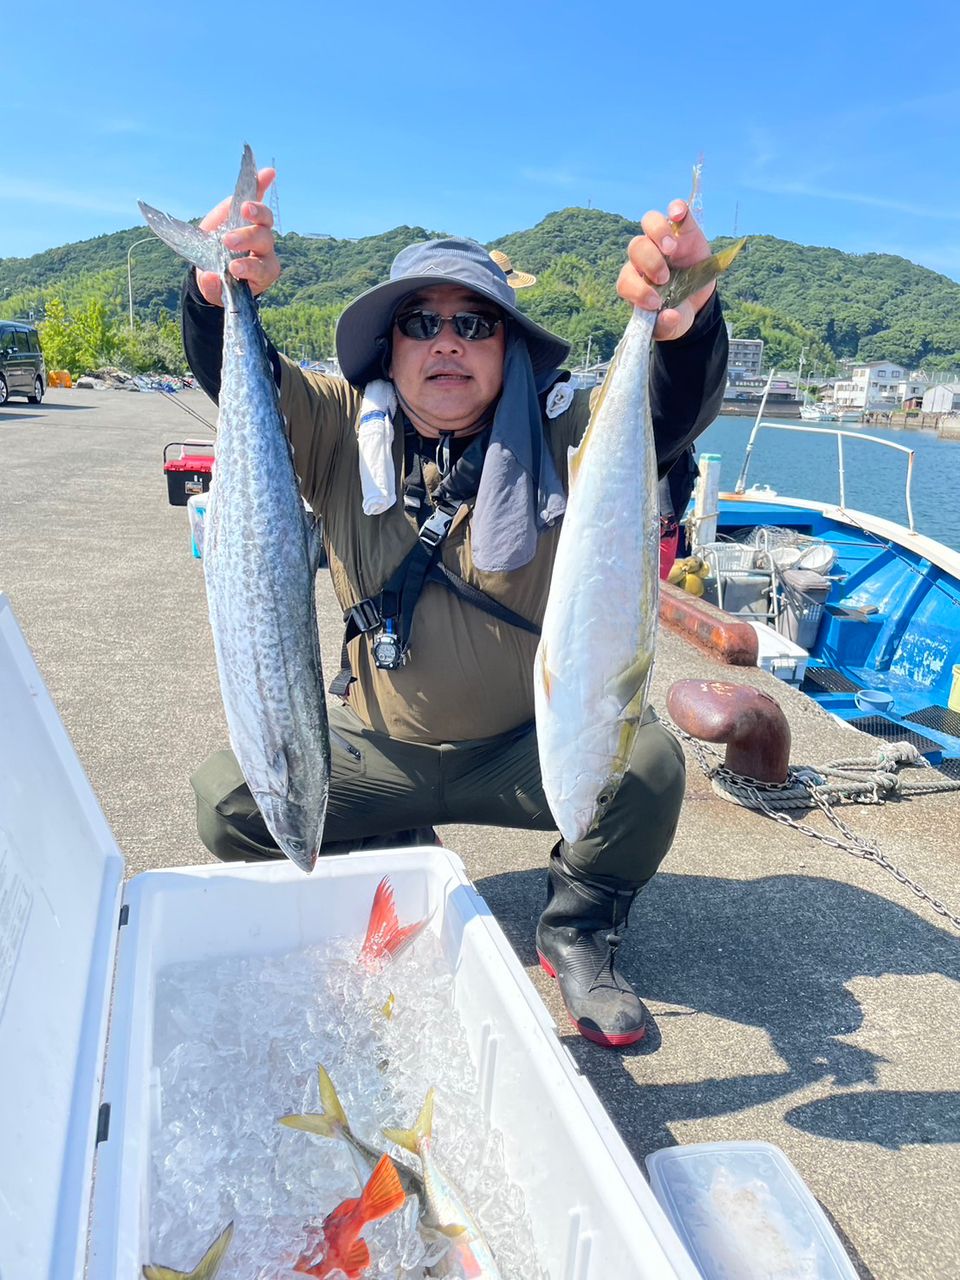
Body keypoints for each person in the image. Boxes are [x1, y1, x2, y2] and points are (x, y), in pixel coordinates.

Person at [181, 166, 729, 1049]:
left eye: (473, 324)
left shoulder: (563, 424)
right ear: (388, 348)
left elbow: (664, 415)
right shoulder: (333, 421)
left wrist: (686, 326)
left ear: (507, 346)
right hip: (380, 747)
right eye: (421, 322)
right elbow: (236, 379)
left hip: (522, 753)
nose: (447, 343)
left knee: (649, 769)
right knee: (228, 801)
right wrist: (216, 296)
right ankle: (390, 845)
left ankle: (578, 930)